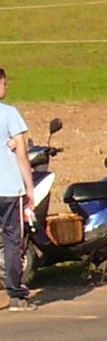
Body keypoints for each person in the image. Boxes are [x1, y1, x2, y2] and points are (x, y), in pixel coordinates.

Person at [0, 69, 33, 311]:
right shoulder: (10, 114)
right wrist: (30, 188)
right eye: (4, 83)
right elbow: (23, 154)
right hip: (10, 188)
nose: (7, 87)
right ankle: (15, 294)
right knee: (13, 240)